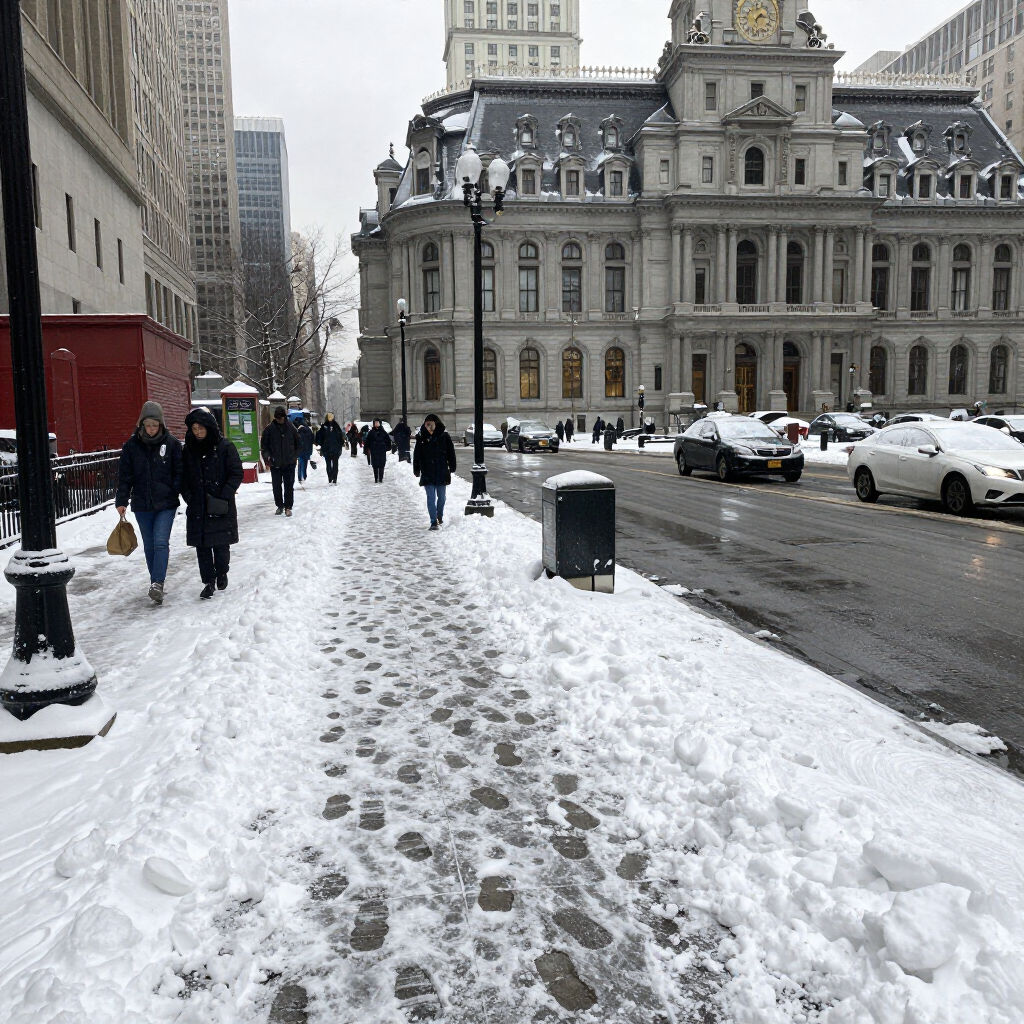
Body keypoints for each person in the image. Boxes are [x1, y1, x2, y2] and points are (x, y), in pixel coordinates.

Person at [115, 401, 183, 605]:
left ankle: (157, 584)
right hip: (142, 503)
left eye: (155, 425)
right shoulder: (132, 446)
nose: (151, 429)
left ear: (161, 424)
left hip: (166, 503)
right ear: (142, 424)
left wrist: (172, 489)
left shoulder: (171, 444)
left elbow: (179, 471)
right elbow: (125, 475)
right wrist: (121, 499)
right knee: (150, 545)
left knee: (161, 542)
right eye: (148, 425)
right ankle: (155, 582)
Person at [181, 408, 243, 600]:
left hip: (219, 503)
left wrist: (224, 495)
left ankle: (222, 571)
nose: (198, 433)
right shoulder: (188, 449)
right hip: (198, 504)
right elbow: (182, 476)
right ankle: (208, 581)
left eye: (201, 428)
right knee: (202, 546)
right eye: (194, 429)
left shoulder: (224, 447)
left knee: (221, 543)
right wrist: (189, 496)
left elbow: (236, 473)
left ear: (208, 428)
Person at [413, 414, 457, 531]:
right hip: (427, 471)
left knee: (441, 497)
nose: (429, 426)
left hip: (441, 470)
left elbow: (450, 452)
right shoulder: (421, 437)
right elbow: (417, 454)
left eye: (431, 423)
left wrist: (452, 466)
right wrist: (416, 468)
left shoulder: (444, 436)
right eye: (427, 423)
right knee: (430, 497)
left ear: (436, 424)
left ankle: (439, 515)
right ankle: (433, 521)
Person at [260, 406, 300, 516]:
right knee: (276, 486)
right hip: (275, 462)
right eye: (278, 418)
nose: (280, 420)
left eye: (281, 418)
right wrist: (267, 456)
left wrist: (294, 456)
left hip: (289, 462)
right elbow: (264, 446)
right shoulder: (269, 429)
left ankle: (288, 507)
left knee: (289, 486)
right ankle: (279, 505)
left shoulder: (291, 428)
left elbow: (298, 443)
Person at [316, 413, 346, 484]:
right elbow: (340, 437)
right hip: (334, 449)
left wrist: (322, 444)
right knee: (335, 464)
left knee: (329, 464)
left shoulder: (324, 427)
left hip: (327, 449)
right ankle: (334, 477)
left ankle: (330, 477)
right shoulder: (336, 426)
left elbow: (320, 438)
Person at [365, 418, 392, 483]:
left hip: (381, 450)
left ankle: (380, 478)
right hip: (374, 450)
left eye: (377, 423)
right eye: (375, 423)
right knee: (375, 465)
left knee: (381, 464)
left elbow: (388, 441)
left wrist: (386, 447)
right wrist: (367, 448)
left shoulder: (383, 432)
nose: (376, 424)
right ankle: (376, 478)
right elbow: (367, 441)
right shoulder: (371, 432)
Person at [296, 420, 314, 485]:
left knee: (300, 463)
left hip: (300, 451)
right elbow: (312, 441)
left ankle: (300, 477)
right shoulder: (308, 431)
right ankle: (304, 475)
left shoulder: (298, 432)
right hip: (307, 450)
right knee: (305, 463)